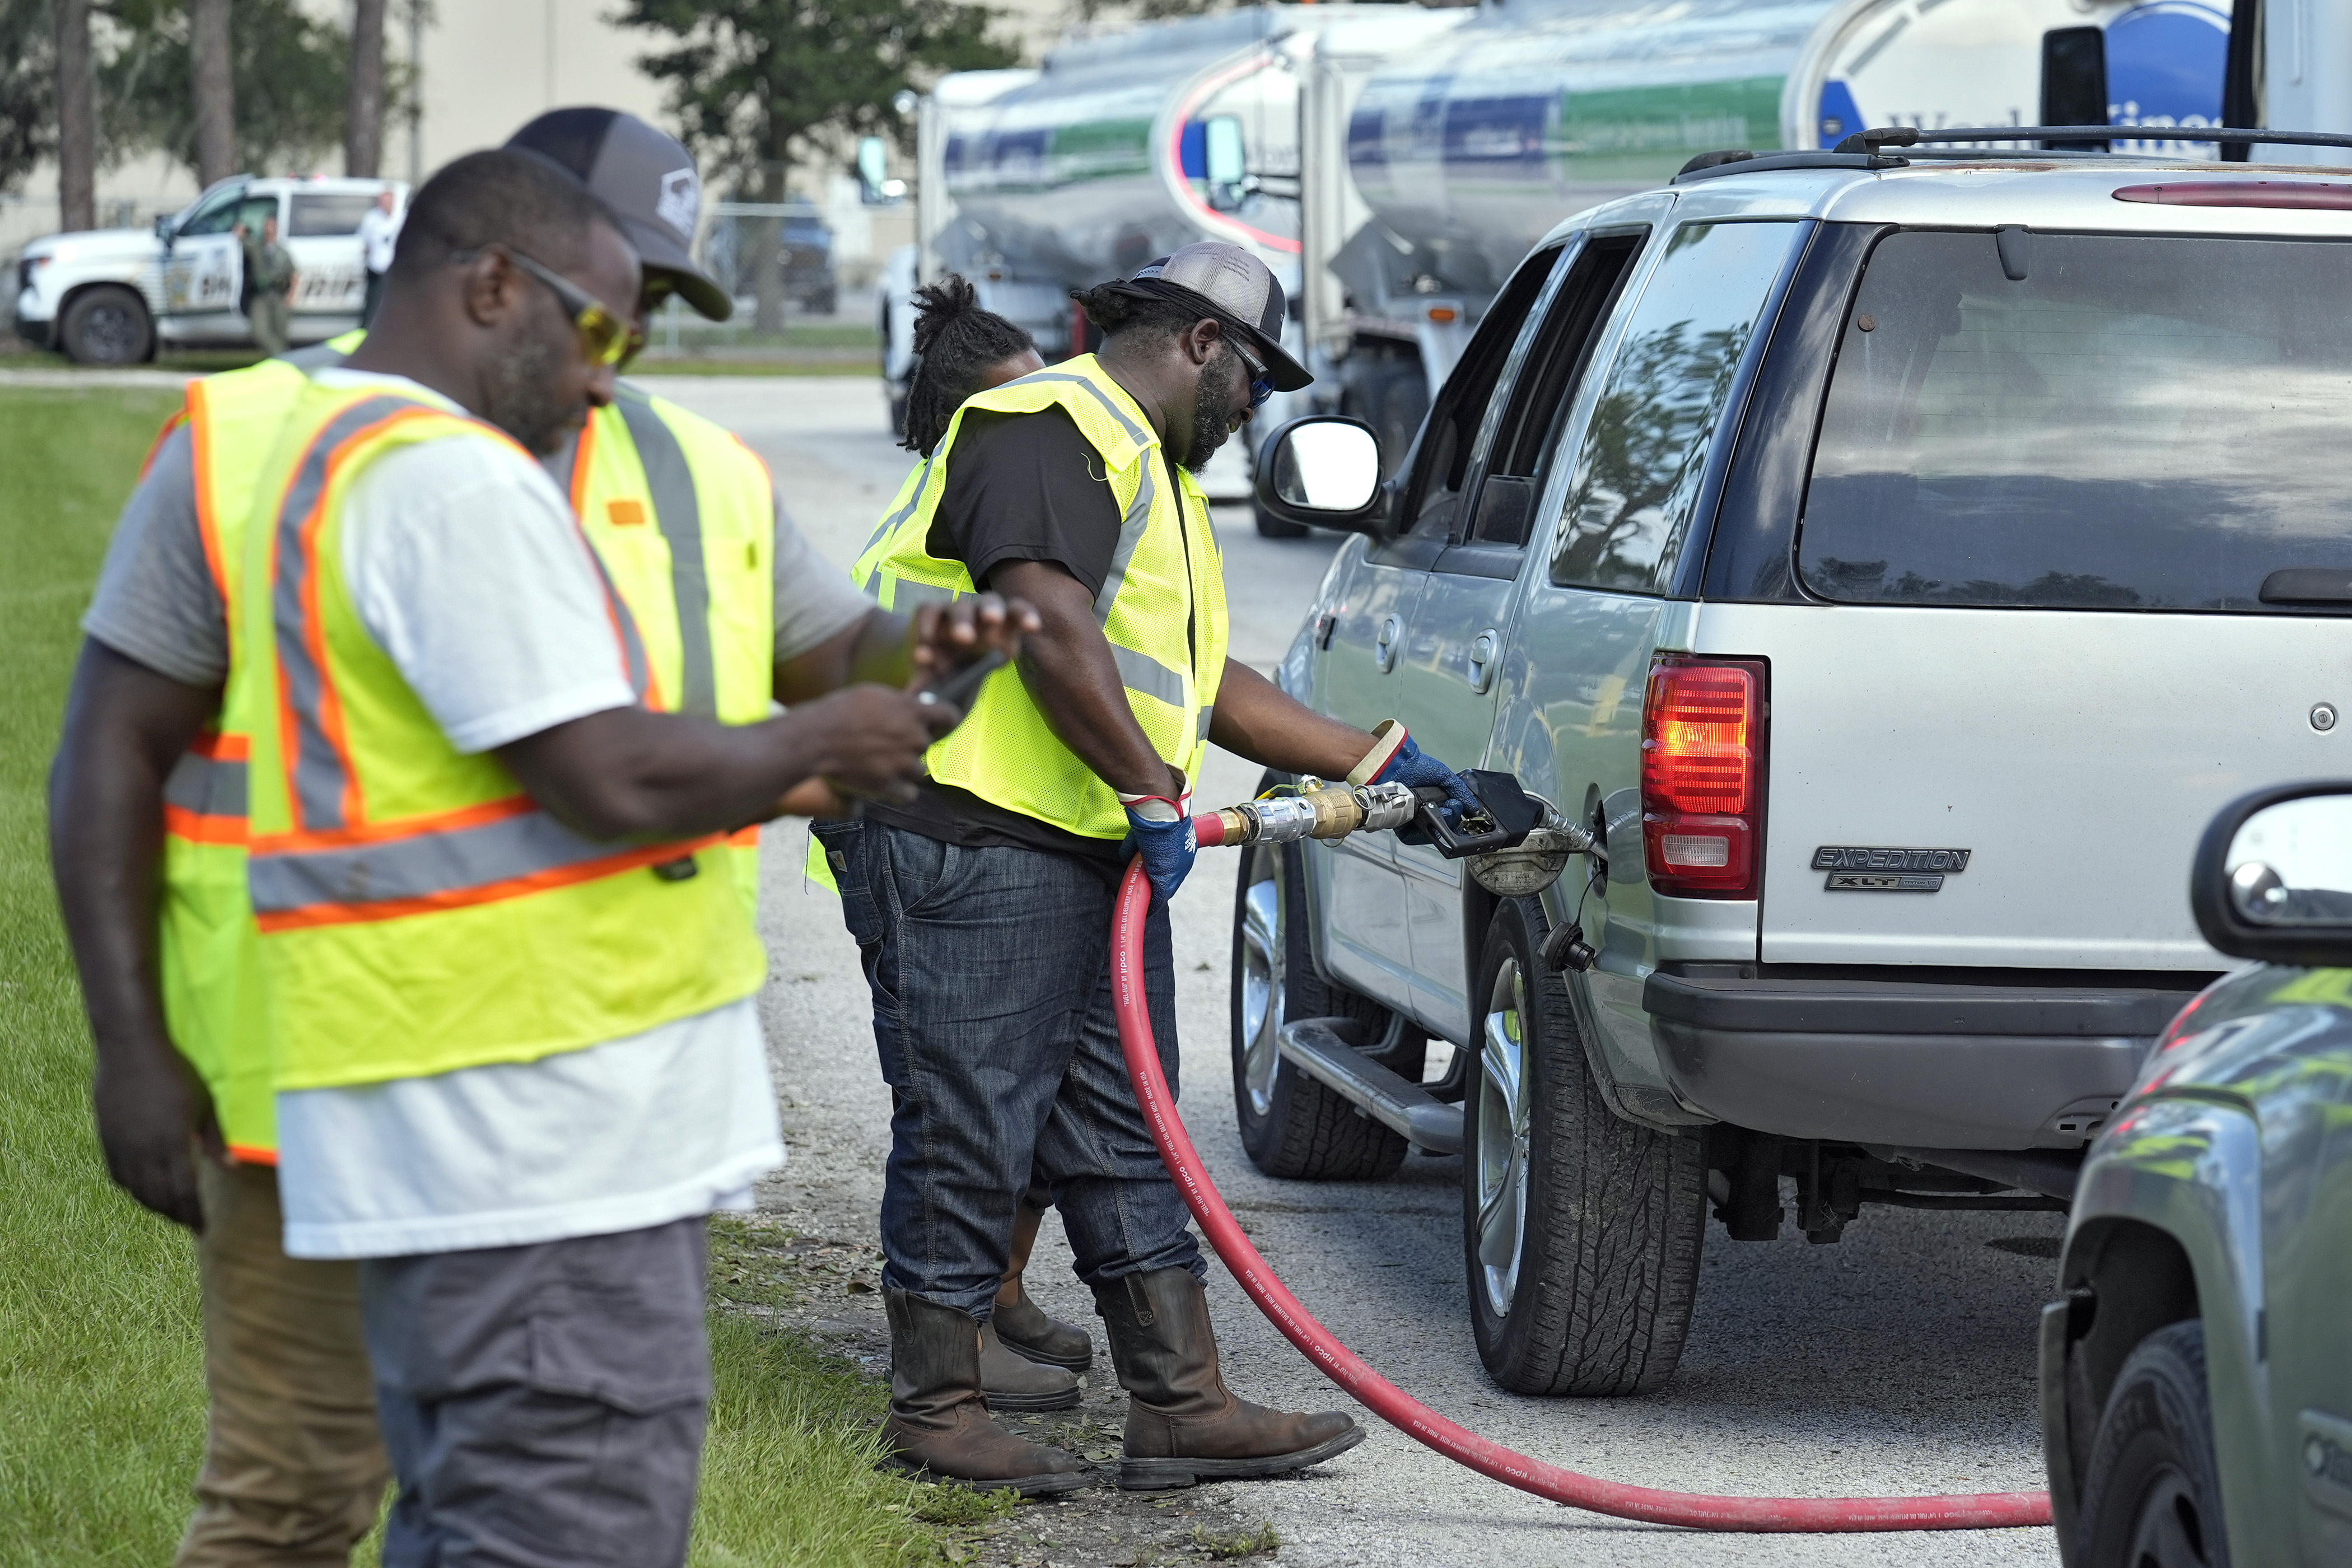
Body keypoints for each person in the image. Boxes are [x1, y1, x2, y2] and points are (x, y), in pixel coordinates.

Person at [49, 143, 1020, 1567]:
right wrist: (130, 1045)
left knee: (481, 1505)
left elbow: (824, 662)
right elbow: (111, 755)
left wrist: (918, 653)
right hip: (332, 1090)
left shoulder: (684, 461)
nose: (621, 361)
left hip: (594, 1101)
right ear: (504, 266)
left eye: (654, 312)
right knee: (307, 1503)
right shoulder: (341, 451)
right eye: (609, 308)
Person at [824, 241, 1479, 1494]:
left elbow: (1195, 677)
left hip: (1060, 837)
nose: (1256, 408)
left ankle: (1181, 1401)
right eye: (1253, 377)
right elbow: (1045, 623)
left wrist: (1384, 760)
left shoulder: (1146, 474)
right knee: (975, 1121)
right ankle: (938, 1403)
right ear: (1197, 343)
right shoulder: (1044, 426)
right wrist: (1144, 784)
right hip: (966, 824)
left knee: (1127, 1123)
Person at [242, 214, 297, 356]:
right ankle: (282, 357)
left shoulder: (283, 253)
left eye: (272, 227)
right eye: (266, 226)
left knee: (281, 333)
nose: (269, 230)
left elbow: (294, 275)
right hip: (260, 295)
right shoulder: (256, 248)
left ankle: (280, 360)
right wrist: (243, 232)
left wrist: (290, 297)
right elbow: (245, 242)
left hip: (278, 295)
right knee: (259, 331)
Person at [356, 188, 402, 326]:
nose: (384, 205)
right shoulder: (372, 218)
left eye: (387, 201)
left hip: (395, 270)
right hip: (376, 268)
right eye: (382, 202)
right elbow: (364, 242)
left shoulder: (402, 217)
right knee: (373, 305)